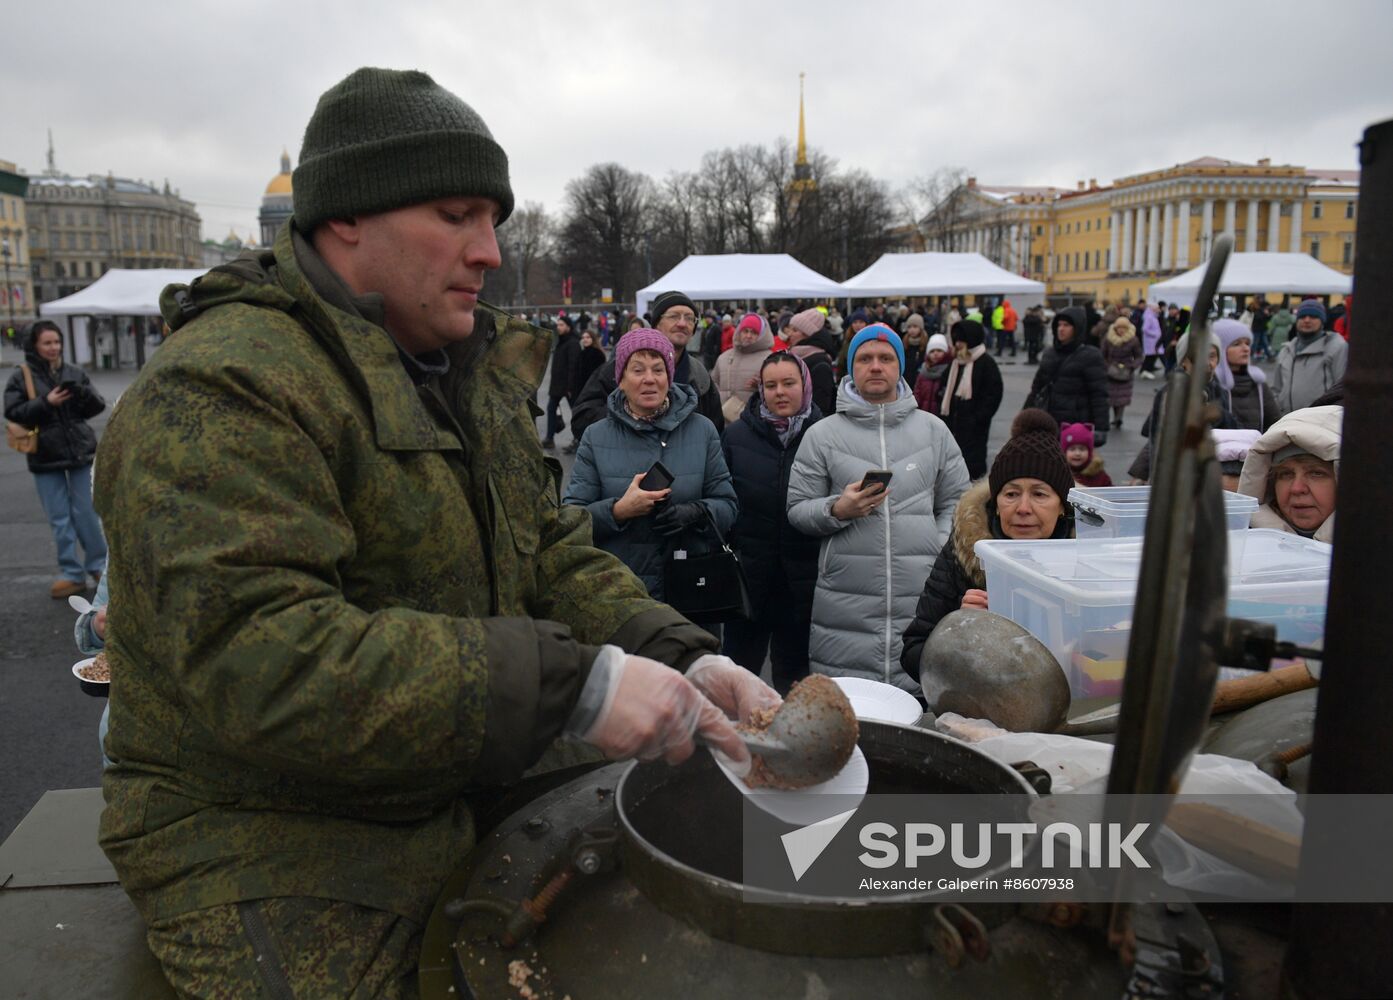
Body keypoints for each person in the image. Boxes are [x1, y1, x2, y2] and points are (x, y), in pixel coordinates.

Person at [93, 68, 774, 996]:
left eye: (493, 219)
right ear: (347, 218)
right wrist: (574, 688)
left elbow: (545, 552)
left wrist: (671, 651)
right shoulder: (225, 385)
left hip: (445, 766)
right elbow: (259, 658)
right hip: (259, 825)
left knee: (690, 861)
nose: (489, 251)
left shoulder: (453, 367)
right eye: (456, 215)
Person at [787, 324, 970, 693]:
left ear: (900, 366)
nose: (875, 366)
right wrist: (837, 509)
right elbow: (798, 509)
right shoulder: (822, 435)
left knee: (917, 709)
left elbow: (959, 502)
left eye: (886, 358)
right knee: (852, 714)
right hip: (844, 599)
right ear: (850, 368)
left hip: (920, 593)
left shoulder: (934, 431)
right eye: (864, 358)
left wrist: (933, 544)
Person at [563, 329, 738, 601]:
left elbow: (728, 505)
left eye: (658, 370)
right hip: (621, 593)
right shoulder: (596, 437)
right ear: (620, 379)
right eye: (637, 370)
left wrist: (694, 513)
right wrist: (619, 511)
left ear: (669, 376)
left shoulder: (702, 430)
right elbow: (572, 519)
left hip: (692, 591)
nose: (649, 379)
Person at [900, 409, 1076, 677]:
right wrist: (960, 629)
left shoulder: (1087, 562)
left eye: (1039, 494)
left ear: (1063, 506)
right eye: (1011, 494)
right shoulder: (961, 555)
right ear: (995, 504)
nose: (1023, 508)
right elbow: (913, 654)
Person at [721, 352, 824, 693]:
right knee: (739, 676)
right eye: (771, 385)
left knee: (795, 680)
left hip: (803, 582)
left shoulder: (825, 436)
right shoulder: (736, 437)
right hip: (749, 580)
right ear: (760, 390)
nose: (780, 392)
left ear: (804, 385)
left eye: (789, 383)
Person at [4, 319, 108, 598]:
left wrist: (81, 393)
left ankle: (98, 566)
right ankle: (71, 573)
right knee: (59, 517)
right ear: (34, 346)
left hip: (79, 451)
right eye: (47, 343)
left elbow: (96, 406)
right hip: (45, 454)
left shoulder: (73, 371)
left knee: (87, 513)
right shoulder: (21, 376)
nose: (54, 348)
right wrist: (46, 402)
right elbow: (13, 412)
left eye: (57, 342)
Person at [571, 290, 723, 441]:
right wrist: (630, 421)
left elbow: (715, 433)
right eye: (674, 316)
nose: (683, 323)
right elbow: (582, 418)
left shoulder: (699, 375)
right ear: (656, 323)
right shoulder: (620, 367)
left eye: (690, 318)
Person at [1126, 330, 1236, 483]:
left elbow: (1232, 434)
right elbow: (1158, 440)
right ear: (1183, 361)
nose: (1207, 363)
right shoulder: (1172, 393)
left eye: (1212, 356)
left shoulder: (1219, 391)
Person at [1238, 405, 1341, 543]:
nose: (1297, 489)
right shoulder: (1243, 543)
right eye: (1286, 474)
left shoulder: (1375, 549)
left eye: (1316, 473)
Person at [1025, 306, 1110, 441]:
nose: (1061, 329)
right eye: (1059, 325)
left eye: (1066, 325)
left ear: (1077, 328)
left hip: (1075, 423)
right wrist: (1025, 415)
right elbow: (1037, 388)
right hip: (1048, 420)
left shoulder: (1090, 355)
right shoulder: (1049, 353)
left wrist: (1101, 427)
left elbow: (1099, 394)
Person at [938, 319, 1004, 480]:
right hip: (953, 424)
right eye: (956, 341)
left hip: (975, 429)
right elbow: (944, 386)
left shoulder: (986, 363)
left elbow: (994, 394)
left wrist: (978, 418)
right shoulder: (956, 363)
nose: (958, 344)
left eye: (961, 340)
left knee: (973, 466)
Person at [1270, 300, 1348, 413]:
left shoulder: (1336, 348)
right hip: (1287, 421)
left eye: (1313, 316)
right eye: (1302, 316)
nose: (1307, 320)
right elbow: (1276, 389)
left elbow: (1342, 389)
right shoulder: (1286, 350)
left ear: (1322, 321)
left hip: (1320, 422)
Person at [1214, 319, 1281, 432]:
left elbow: (1275, 425)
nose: (1246, 349)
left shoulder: (1258, 382)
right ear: (1220, 350)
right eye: (1236, 344)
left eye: (1247, 343)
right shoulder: (1211, 383)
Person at [712, 313, 774, 421]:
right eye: (745, 331)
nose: (748, 336)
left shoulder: (770, 359)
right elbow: (713, 383)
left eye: (754, 332)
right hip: (721, 420)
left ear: (761, 335)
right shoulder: (724, 357)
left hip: (753, 423)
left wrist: (762, 386)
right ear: (739, 332)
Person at [784, 306, 838, 416]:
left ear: (807, 333)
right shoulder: (795, 356)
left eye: (795, 330)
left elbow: (821, 407)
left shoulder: (820, 363)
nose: (789, 334)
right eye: (790, 329)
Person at [541, 314, 580, 449]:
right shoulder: (561, 341)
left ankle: (578, 438)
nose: (558, 327)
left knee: (575, 412)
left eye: (561, 325)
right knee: (551, 409)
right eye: (557, 325)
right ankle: (549, 438)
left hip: (567, 385)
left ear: (568, 327)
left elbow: (573, 366)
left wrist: (570, 387)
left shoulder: (573, 343)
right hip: (557, 385)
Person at [1101, 314, 1144, 429]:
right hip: (1110, 371)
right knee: (1111, 397)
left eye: (1124, 328)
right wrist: (1107, 366)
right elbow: (1102, 354)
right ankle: (1112, 418)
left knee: (1122, 398)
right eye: (1119, 328)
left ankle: (1118, 418)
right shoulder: (1108, 339)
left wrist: (1131, 366)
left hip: (1126, 372)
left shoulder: (1133, 340)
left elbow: (1139, 356)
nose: (1121, 330)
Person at [1061, 421, 1112, 487]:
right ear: (1064, 452)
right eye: (1072, 449)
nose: (1077, 453)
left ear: (1090, 452)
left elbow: (1109, 494)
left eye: (1082, 449)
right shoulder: (1059, 474)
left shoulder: (1100, 476)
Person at [913, 333, 951, 415]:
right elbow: (917, 392)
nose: (935, 354)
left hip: (940, 415)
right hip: (923, 414)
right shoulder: (923, 372)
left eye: (939, 350)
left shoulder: (948, 372)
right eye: (932, 351)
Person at [1138, 302, 1165, 378]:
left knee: (1151, 356)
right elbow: (1144, 329)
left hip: (1154, 341)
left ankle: (1145, 370)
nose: (1158, 310)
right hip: (1151, 341)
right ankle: (1145, 371)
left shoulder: (1153, 316)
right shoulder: (1149, 317)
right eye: (1157, 308)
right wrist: (1155, 334)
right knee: (1152, 355)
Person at [901, 313, 928, 382]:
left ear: (920, 328)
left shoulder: (925, 343)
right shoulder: (904, 342)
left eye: (915, 327)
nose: (912, 330)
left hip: (919, 379)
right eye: (909, 327)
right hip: (906, 378)